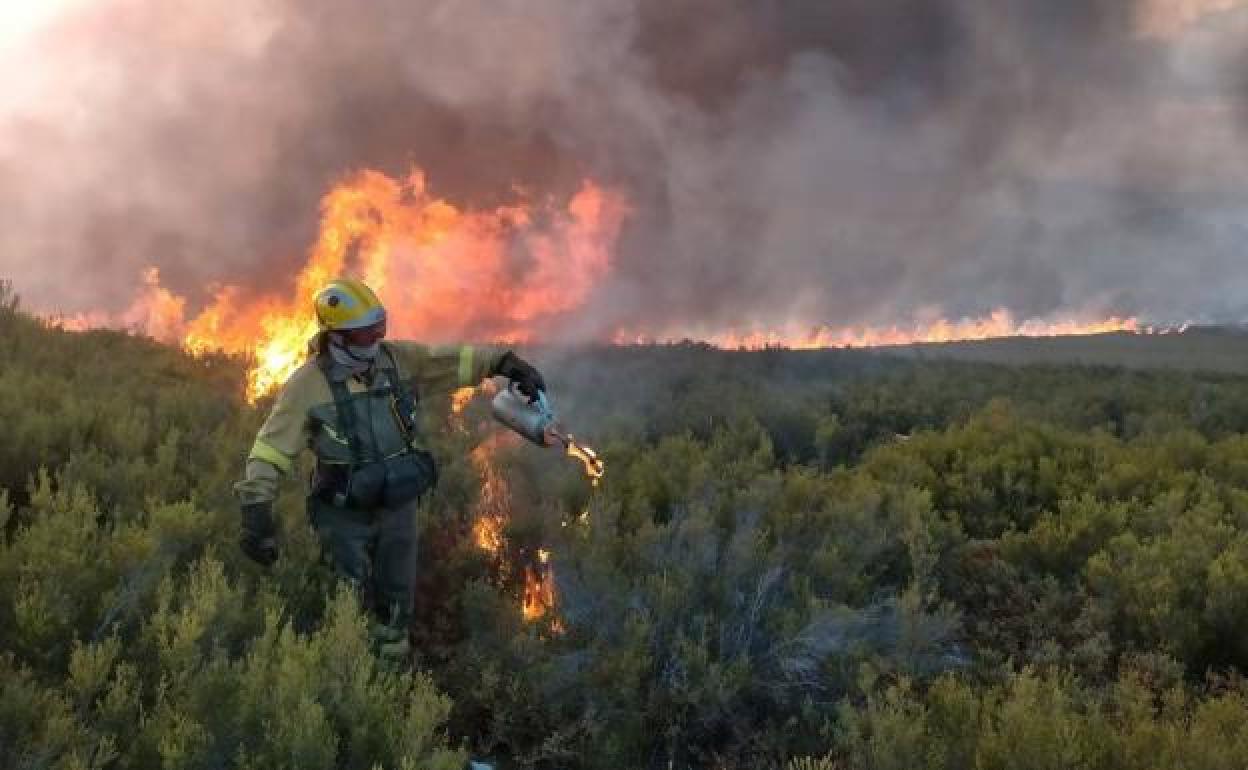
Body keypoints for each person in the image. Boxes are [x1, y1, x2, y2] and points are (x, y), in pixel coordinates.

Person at [233, 277, 547, 661]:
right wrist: (256, 512)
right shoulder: (307, 386)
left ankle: (389, 670)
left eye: (380, 327)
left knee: (397, 599)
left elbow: (452, 361)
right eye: (367, 333)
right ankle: (344, 678)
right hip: (343, 515)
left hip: (398, 506)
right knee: (343, 600)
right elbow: (270, 450)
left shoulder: (398, 360)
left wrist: (504, 363)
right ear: (338, 336)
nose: (377, 339)